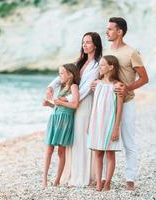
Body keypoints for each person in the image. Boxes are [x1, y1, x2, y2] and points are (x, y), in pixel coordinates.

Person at [92, 17, 149, 190]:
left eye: (110, 29)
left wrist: (127, 88)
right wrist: (96, 82)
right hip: (108, 105)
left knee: (128, 141)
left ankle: (130, 178)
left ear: (120, 32)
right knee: (104, 139)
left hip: (128, 102)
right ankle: (102, 180)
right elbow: (103, 72)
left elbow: (145, 78)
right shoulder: (107, 51)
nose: (106, 32)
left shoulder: (131, 52)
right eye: (107, 28)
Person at [46, 32, 102, 186]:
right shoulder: (79, 62)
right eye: (83, 42)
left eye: (88, 42)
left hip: (84, 103)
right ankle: (71, 174)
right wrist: (51, 86)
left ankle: (82, 177)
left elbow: (85, 89)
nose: (84, 45)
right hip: (73, 103)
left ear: (95, 45)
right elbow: (64, 75)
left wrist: (66, 98)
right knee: (73, 139)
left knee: (81, 139)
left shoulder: (96, 65)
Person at [88, 55, 123, 191]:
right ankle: (98, 182)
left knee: (110, 153)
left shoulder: (118, 86)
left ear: (111, 67)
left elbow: (119, 109)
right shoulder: (97, 84)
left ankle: (107, 182)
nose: (100, 67)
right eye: (100, 65)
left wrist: (116, 128)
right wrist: (89, 124)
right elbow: (94, 105)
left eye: (102, 65)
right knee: (98, 153)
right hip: (97, 123)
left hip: (110, 123)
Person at [42, 63, 80, 189]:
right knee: (49, 150)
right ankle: (44, 180)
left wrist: (59, 102)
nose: (60, 76)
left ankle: (57, 179)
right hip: (54, 119)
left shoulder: (74, 86)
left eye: (62, 73)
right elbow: (58, 105)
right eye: (59, 73)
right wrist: (50, 105)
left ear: (70, 75)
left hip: (64, 121)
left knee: (61, 151)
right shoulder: (62, 88)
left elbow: (75, 105)